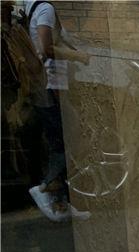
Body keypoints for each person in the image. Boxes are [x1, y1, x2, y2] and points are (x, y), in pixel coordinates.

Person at [22, 0, 88, 220]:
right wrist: (78, 56)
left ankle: (60, 202)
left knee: (59, 141)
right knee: (64, 141)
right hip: (52, 87)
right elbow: (47, 49)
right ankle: (46, 188)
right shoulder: (45, 9)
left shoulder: (35, 8)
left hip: (49, 87)